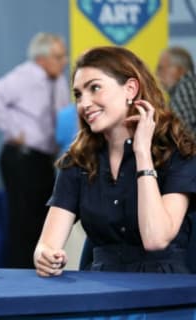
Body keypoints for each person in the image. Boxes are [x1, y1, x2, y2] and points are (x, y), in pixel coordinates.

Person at [34, 46, 196, 277]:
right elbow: (46, 245)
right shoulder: (77, 161)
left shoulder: (178, 153)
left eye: (95, 88)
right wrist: (45, 257)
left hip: (162, 287)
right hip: (100, 288)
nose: (84, 103)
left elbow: (156, 239)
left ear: (130, 88)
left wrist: (142, 153)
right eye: (79, 94)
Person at [0, 32, 70, 268]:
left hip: (44, 158)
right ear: (41, 59)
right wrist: (13, 130)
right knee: (22, 221)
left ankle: (40, 268)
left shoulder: (59, 81)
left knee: (43, 218)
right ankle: (19, 273)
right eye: (59, 57)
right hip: (21, 157)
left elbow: (62, 115)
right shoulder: (26, 75)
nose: (65, 61)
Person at [156, 46, 196, 135]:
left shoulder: (184, 90)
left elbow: (182, 135)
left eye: (161, 68)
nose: (157, 73)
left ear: (179, 70)